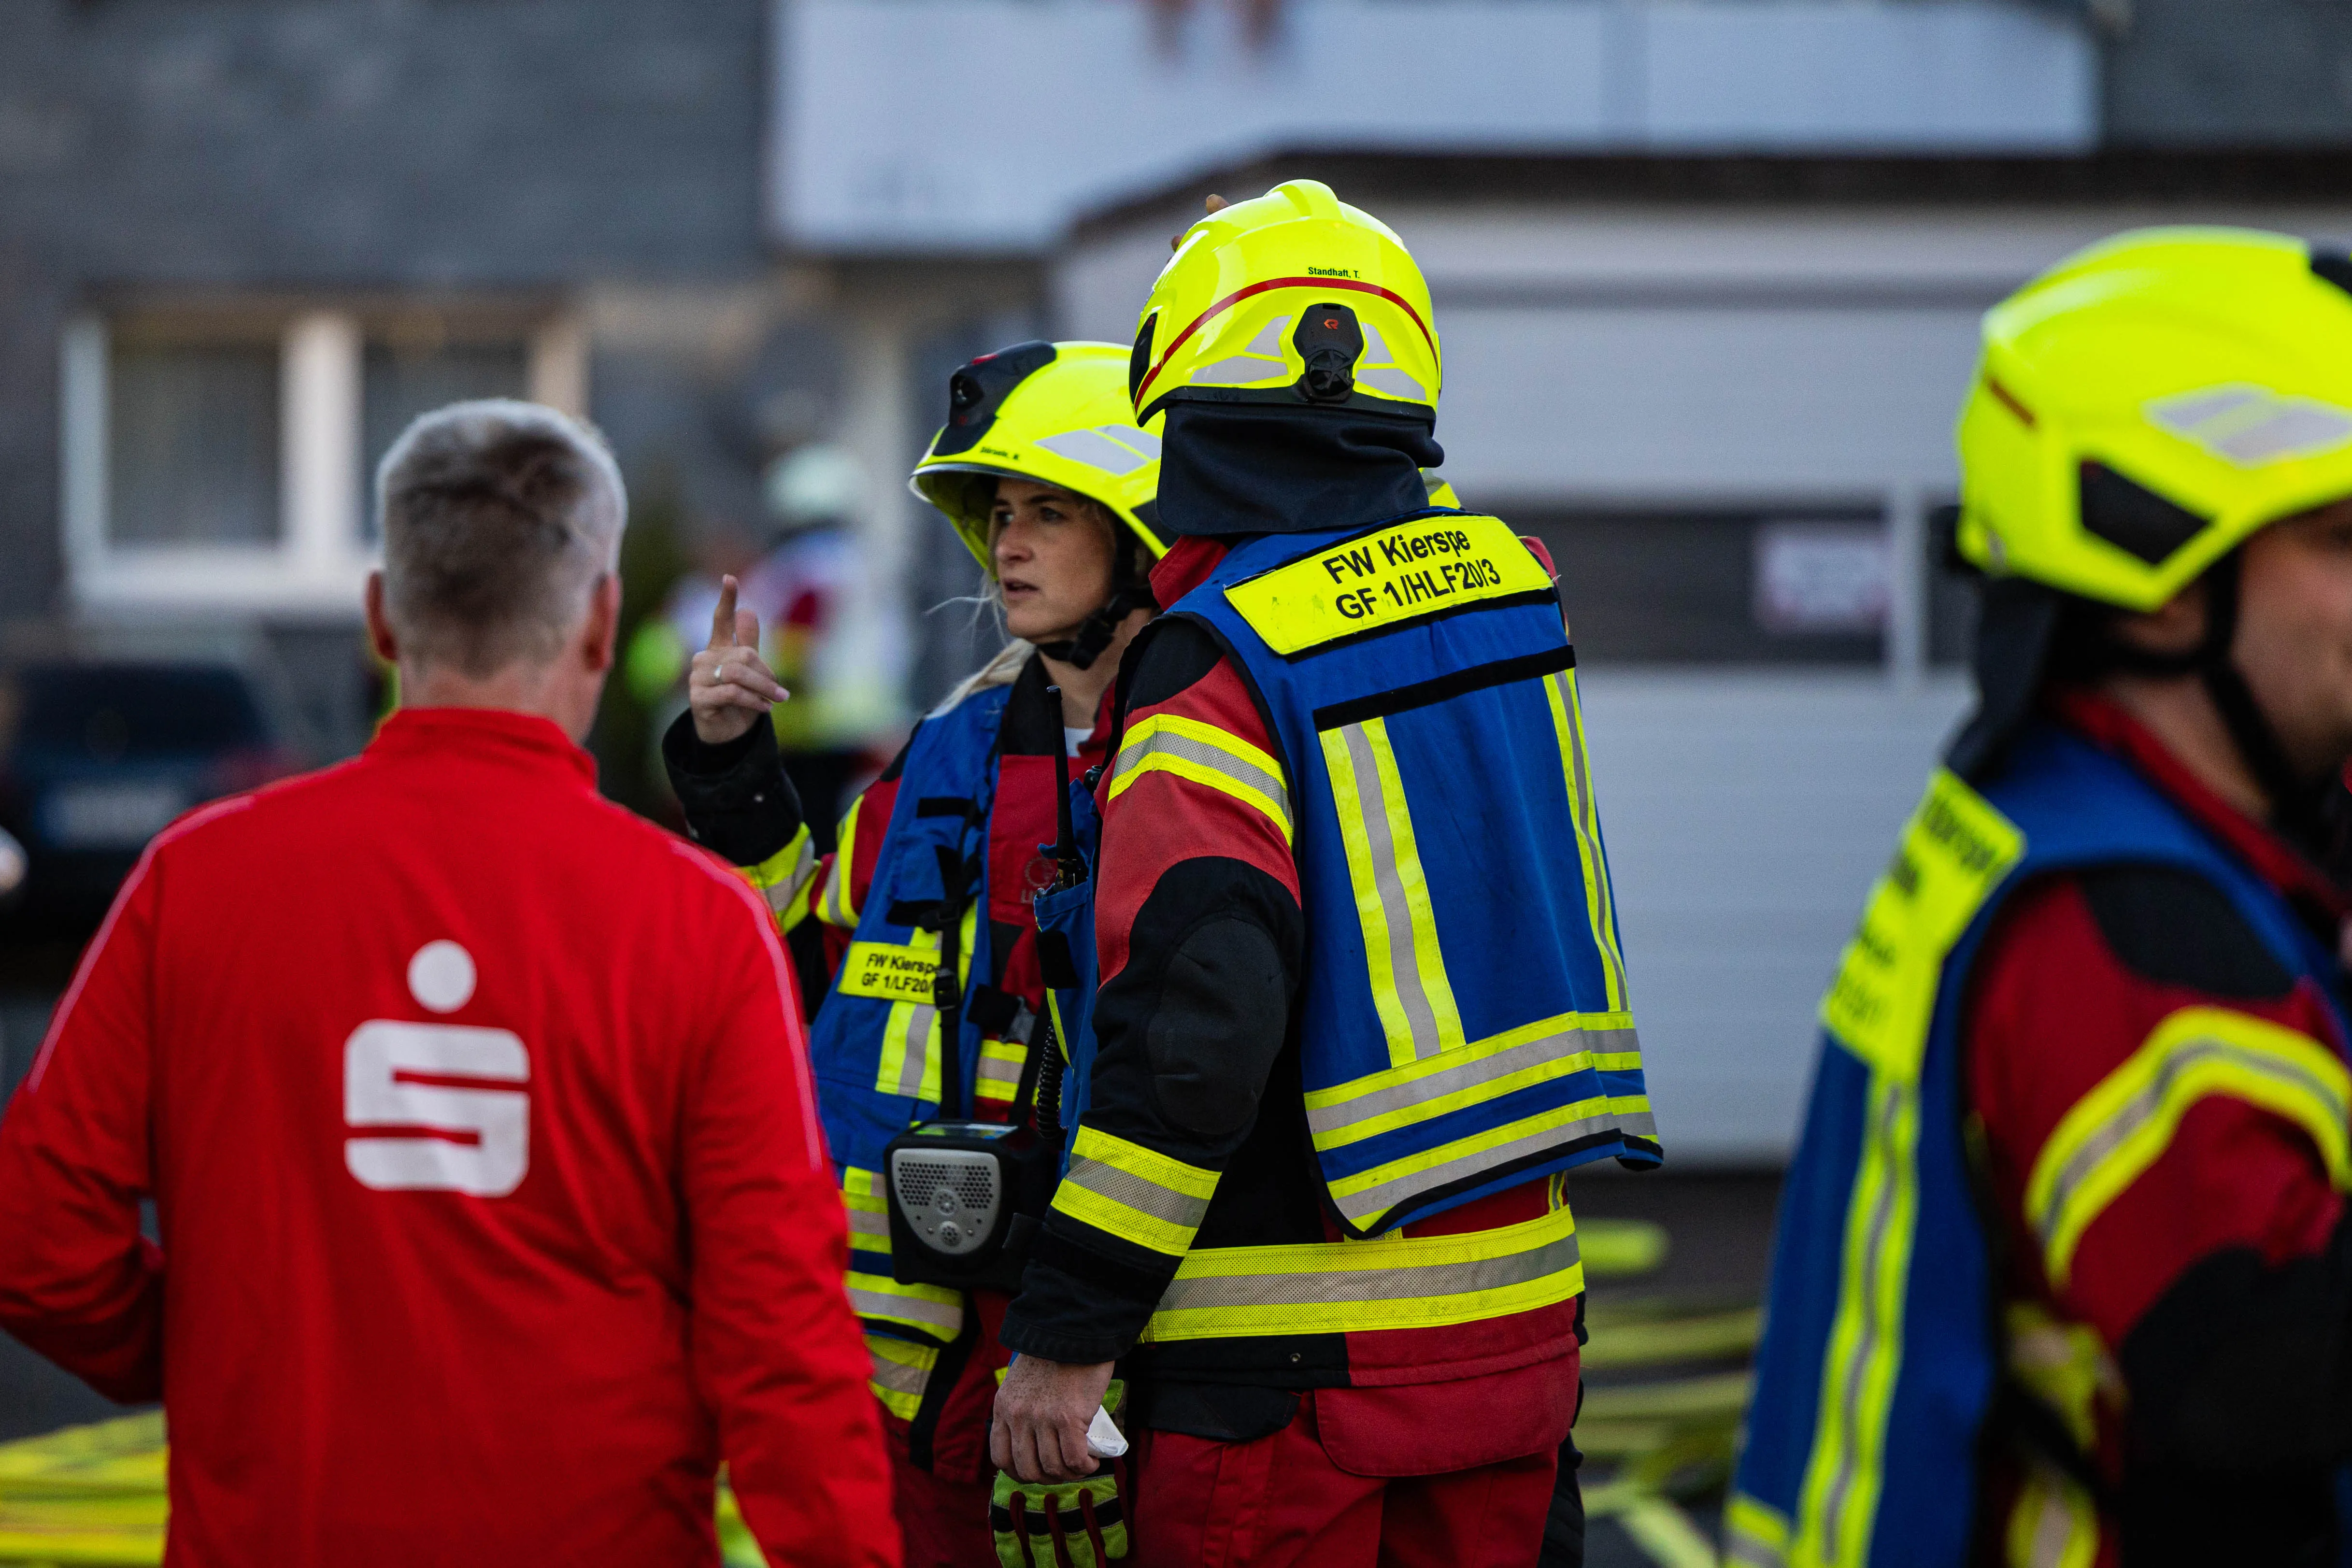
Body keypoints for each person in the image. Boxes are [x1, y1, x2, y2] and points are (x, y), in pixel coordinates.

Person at [0, 400, 897, 1568]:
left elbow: (37, 1245)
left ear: (380, 615)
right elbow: (783, 1337)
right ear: (600, 623)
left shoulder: (196, 884)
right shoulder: (699, 924)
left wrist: (215, 1352)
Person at [989, 180, 1661, 1568]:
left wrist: (1065, 1332)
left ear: (1178, 403)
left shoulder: (1212, 657)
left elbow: (1197, 1024)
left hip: (1289, 1376)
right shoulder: (1508, 589)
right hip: (1519, 1335)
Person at [1731, 229, 2352, 1568]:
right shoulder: (2123, 933)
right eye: (2340, 538)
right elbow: (2256, 1364)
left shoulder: (2072, 829)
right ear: (2158, 584)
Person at [667, 343, 1164, 1567]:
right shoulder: (952, 750)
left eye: (1049, 512)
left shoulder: (1202, 757)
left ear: (1140, 538)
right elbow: (812, 946)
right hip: (906, 1361)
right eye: (1000, 515)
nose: (1009, 544)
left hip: (1098, 1358)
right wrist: (732, 772)